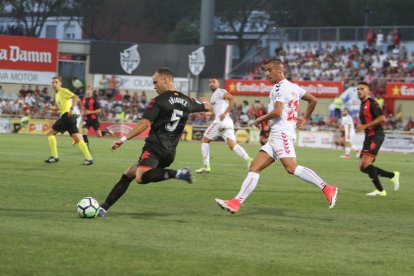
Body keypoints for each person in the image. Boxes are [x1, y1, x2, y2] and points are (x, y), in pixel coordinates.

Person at [214, 58, 339, 214]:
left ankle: (327, 188)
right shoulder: (294, 87)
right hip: (276, 135)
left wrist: (260, 118)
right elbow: (313, 100)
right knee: (254, 167)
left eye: (269, 69)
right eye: (265, 70)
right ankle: (236, 202)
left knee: (291, 167)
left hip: (282, 133)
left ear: (279, 70)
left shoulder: (279, 88)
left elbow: (277, 111)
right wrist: (305, 118)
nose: (266, 74)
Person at [97, 67, 210, 217]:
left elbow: (144, 124)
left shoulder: (158, 101)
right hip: (170, 153)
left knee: (140, 177)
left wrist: (123, 139)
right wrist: (201, 101)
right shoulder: (187, 101)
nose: (154, 86)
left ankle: (177, 173)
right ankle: (103, 208)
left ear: (165, 80)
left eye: (155, 82)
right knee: (128, 174)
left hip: (154, 148)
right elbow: (207, 106)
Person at [195, 77, 252, 173]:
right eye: (209, 82)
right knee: (232, 145)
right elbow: (215, 112)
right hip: (227, 122)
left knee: (204, 140)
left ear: (218, 83)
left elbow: (232, 99)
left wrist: (225, 113)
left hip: (220, 121)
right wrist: (206, 114)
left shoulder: (220, 91)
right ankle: (249, 160)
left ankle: (206, 166)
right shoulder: (213, 96)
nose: (211, 83)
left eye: (213, 82)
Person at [356, 82, 400, 196]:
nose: (359, 91)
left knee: (366, 163)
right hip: (368, 137)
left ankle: (380, 191)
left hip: (376, 135)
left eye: (362, 89)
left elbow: (382, 117)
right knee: (362, 167)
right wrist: (361, 127)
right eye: (357, 89)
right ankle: (392, 175)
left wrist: (364, 126)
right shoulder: (362, 104)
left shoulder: (372, 102)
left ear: (368, 91)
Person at [44, 76, 93, 165]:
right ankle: (89, 158)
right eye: (53, 82)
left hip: (66, 117)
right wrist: (50, 108)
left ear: (60, 83)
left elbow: (75, 97)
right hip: (71, 119)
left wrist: (71, 108)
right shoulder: (57, 94)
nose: (54, 84)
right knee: (78, 138)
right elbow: (58, 107)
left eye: (56, 82)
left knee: (50, 133)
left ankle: (54, 156)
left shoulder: (63, 91)